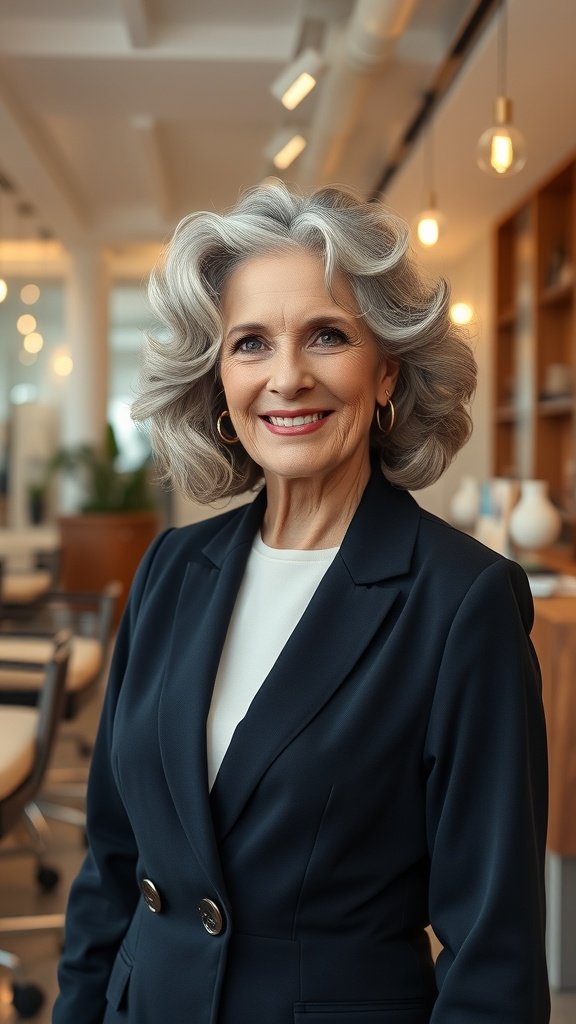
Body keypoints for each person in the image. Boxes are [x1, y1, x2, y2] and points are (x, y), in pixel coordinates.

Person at [53, 183, 549, 1024]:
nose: (287, 378)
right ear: (219, 379)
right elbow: (109, 864)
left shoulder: (463, 603)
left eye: (327, 335)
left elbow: (493, 956)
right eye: (250, 343)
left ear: (386, 368)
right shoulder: (169, 569)